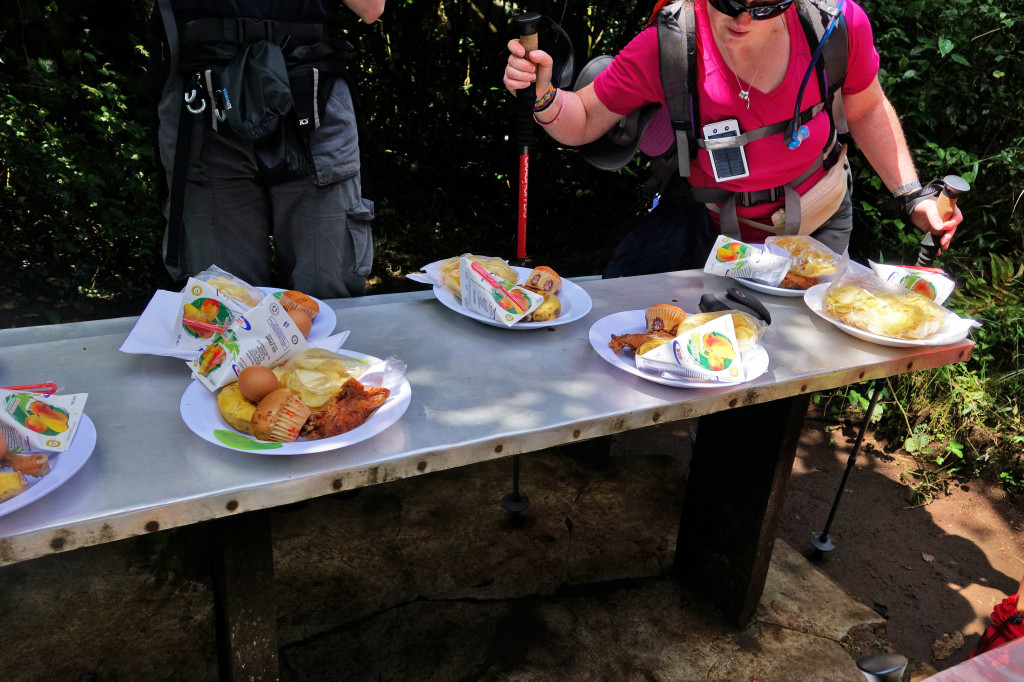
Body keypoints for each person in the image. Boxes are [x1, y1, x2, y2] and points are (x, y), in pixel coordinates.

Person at [503, 0, 964, 275]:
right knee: (723, 369)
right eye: (728, 0)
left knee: (791, 375)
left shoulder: (836, 27)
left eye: (765, 5)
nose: (743, 17)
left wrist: (911, 194)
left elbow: (866, 108)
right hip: (722, 235)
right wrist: (543, 94)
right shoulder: (670, 42)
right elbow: (582, 117)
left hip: (821, 222)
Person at [154, 0, 385, 299]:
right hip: (205, 102)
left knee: (326, 297)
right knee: (224, 305)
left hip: (312, 98)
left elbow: (371, 7)